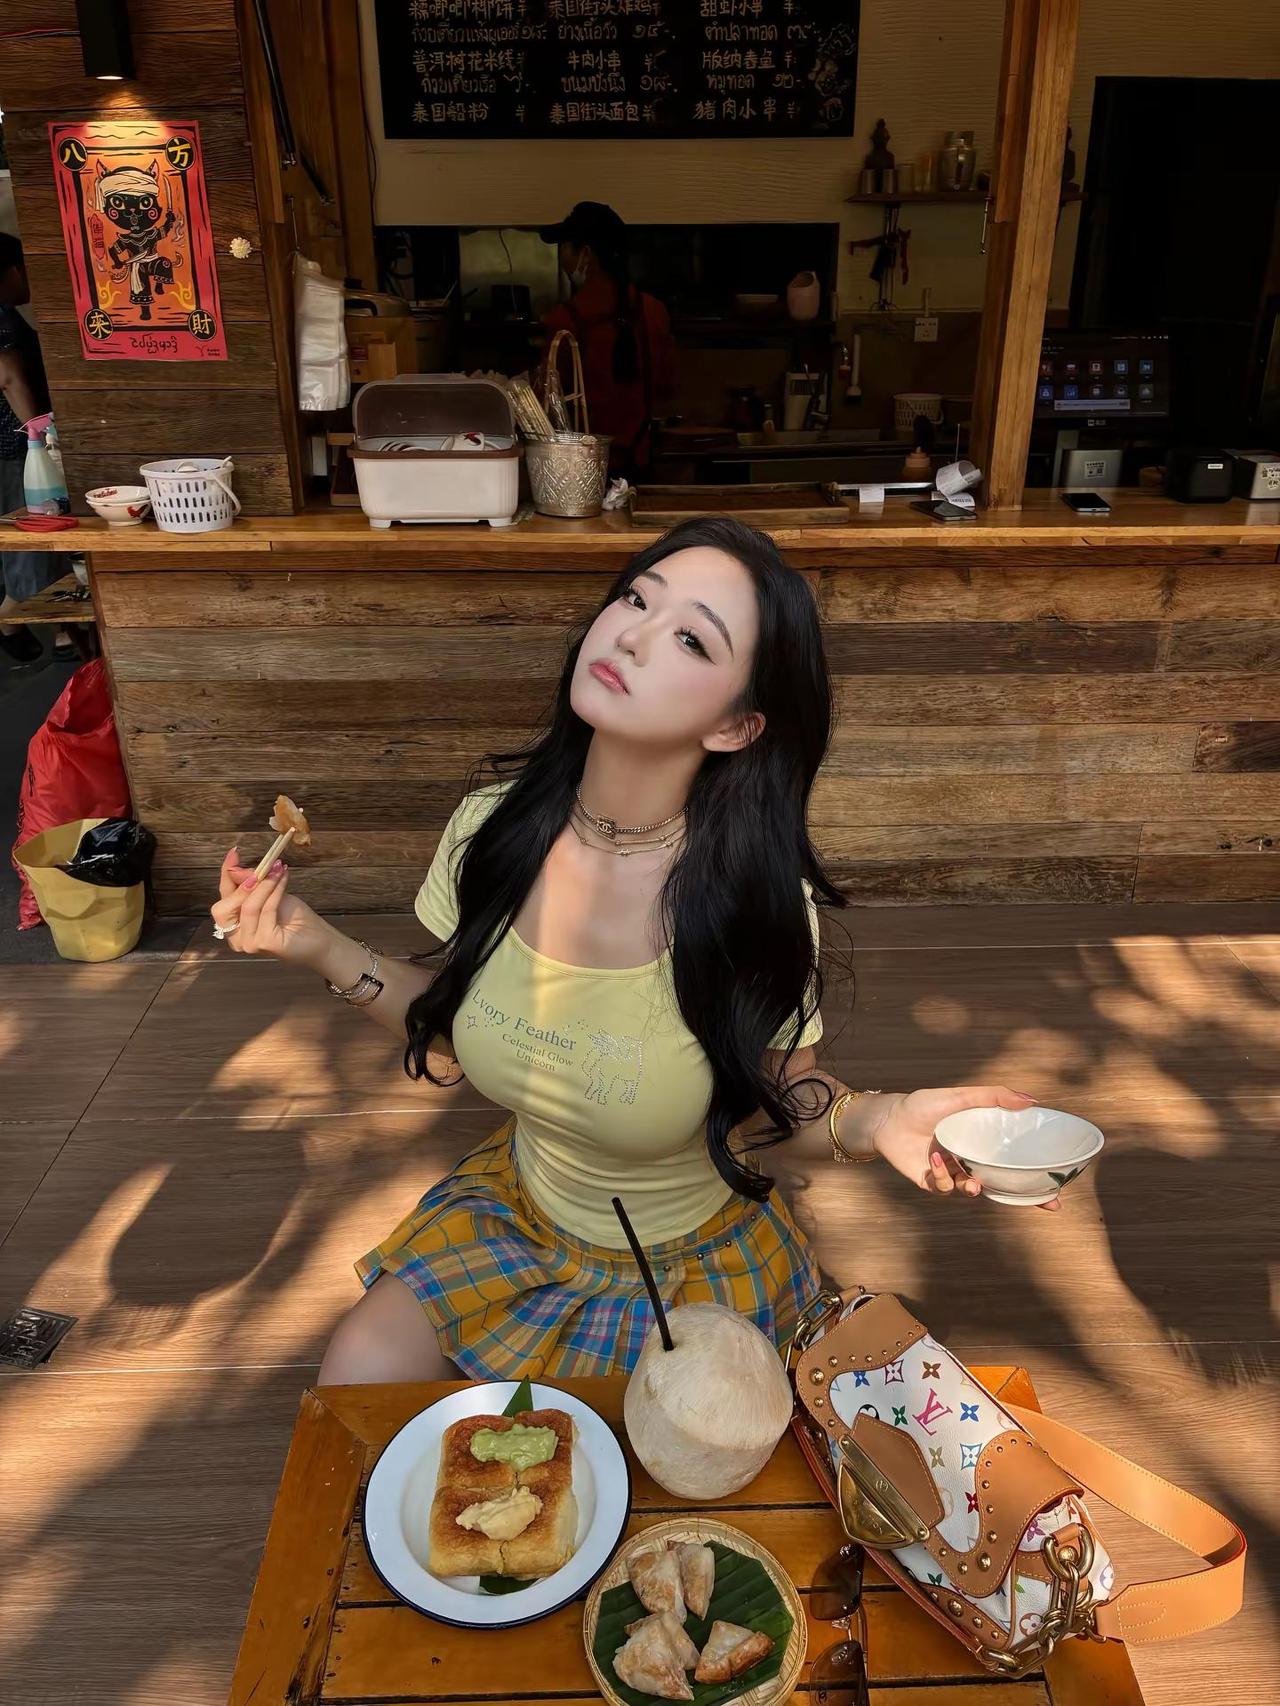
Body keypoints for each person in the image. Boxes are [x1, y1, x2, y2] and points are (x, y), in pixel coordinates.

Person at [210, 517, 1050, 1387]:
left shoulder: (754, 906)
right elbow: (461, 1027)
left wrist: (880, 1120)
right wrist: (314, 943)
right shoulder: (490, 829)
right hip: (518, 1213)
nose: (634, 636)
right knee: (352, 1385)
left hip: (692, 1262)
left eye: (691, 638)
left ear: (736, 726)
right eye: (636, 600)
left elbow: (773, 1103)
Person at [538, 201, 677, 477]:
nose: (562, 259)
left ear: (585, 253)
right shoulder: (654, 312)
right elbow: (667, 387)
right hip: (642, 466)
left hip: (583, 473)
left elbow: (549, 404)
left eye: (564, 247)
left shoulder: (564, 321)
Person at [0, 233, 71, 663]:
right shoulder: (2, 319)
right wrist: (38, 437)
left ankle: (59, 628)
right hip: (15, 445)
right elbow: (8, 377)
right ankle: (11, 616)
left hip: (11, 444)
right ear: (12, 271)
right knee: (32, 529)